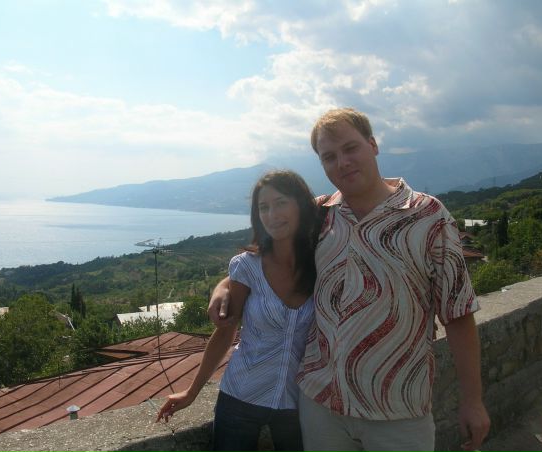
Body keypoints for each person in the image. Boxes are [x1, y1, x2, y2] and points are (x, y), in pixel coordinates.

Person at [209, 108, 491, 452]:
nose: (342, 162)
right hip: (321, 405)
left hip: (397, 408)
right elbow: (266, 256)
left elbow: (458, 312)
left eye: (350, 148)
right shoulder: (319, 215)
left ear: (373, 145)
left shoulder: (428, 216)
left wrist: (472, 400)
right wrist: (224, 286)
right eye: (329, 157)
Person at [157, 170, 320, 452]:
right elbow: (224, 333)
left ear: (301, 205)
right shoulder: (247, 266)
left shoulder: (323, 262)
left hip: (297, 403)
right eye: (263, 207)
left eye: (281, 203)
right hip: (240, 398)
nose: (272, 214)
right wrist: (192, 392)